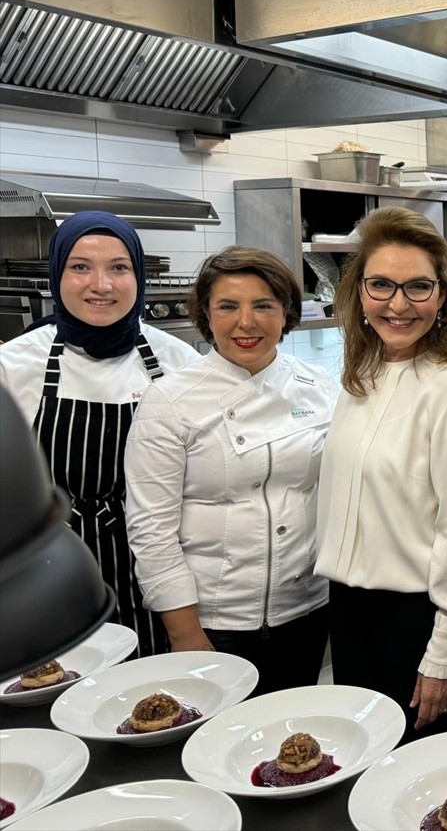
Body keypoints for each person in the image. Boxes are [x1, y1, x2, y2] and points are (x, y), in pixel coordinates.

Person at [124, 247, 337, 695]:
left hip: (307, 609)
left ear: (285, 312)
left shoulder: (320, 388)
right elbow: (150, 527)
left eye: (263, 305)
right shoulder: (170, 400)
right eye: (228, 306)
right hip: (214, 619)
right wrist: (184, 631)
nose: (247, 322)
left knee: (294, 741)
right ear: (206, 314)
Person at [315, 206, 447, 742]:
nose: (398, 304)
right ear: (359, 293)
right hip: (348, 610)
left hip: (415, 619)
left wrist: (444, 651)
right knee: (362, 764)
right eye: (381, 285)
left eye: (417, 288)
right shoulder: (357, 374)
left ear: (441, 297)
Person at [0, 211, 199, 658]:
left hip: (157, 575)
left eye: (119, 268)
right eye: (81, 267)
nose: (101, 285)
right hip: (49, 580)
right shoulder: (13, 365)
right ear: (56, 275)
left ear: (138, 276)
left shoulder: (177, 360)